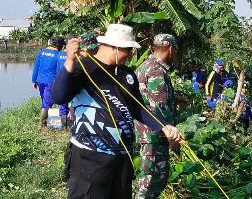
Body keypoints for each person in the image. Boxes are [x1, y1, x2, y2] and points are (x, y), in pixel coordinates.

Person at [51, 24, 183, 199]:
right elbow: (58, 96)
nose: (129, 55)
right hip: (91, 156)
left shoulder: (127, 75)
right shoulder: (84, 68)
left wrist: (164, 126)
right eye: (127, 50)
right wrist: (69, 62)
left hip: (122, 157)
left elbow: (137, 107)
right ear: (114, 47)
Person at [134, 34, 179, 199]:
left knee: (148, 179)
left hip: (146, 133)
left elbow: (147, 97)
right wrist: (172, 136)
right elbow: (160, 108)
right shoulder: (157, 70)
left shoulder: (144, 66)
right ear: (171, 49)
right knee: (152, 181)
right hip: (155, 135)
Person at [32, 36, 65, 130]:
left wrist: (34, 80)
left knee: (44, 101)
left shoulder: (41, 52)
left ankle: (46, 123)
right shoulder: (58, 55)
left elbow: (36, 67)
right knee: (46, 104)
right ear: (60, 46)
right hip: (51, 81)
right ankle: (42, 126)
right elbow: (59, 70)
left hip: (40, 81)